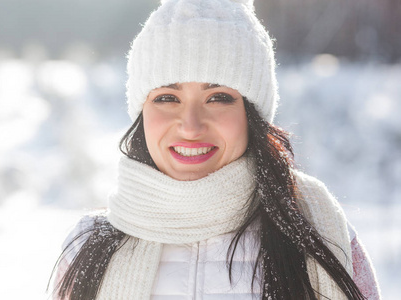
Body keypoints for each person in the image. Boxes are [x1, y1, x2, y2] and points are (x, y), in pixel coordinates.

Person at [49, 0, 381, 299]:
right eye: (167, 98)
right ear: (142, 112)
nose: (191, 126)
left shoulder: (322, 238)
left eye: (218, 98)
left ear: (251, 115)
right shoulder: (89, 247)